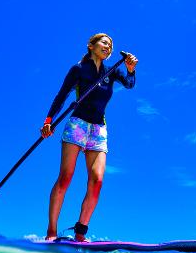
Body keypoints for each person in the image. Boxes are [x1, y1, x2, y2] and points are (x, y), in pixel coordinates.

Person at [40, 33, 137, 241]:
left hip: (98, 130)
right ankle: (51, 231)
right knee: (65, 178)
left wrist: (131, 70)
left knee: (97, 180)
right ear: (91, 46)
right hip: (77, 126)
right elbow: (62, 95)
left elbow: (130, 84)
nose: (108, 47)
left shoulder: (113, 71)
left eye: (111, 45)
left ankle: (80, 232)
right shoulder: (78, 69)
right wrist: (49, 120)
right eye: (104, 42)